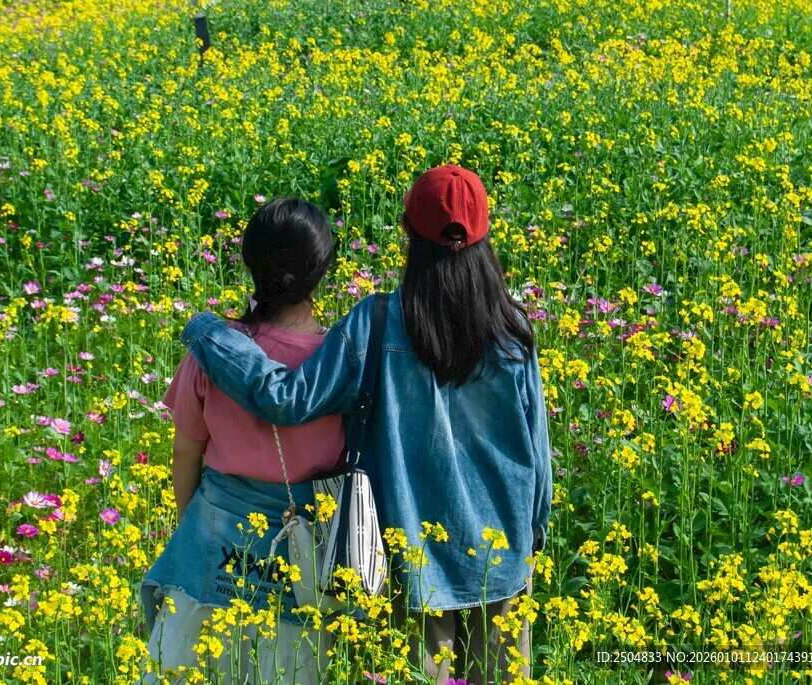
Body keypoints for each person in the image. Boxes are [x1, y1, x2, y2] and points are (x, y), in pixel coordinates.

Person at [180, 165, 553, 685]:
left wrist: (208, 333)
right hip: (501, 556)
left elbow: (286, 399)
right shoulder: (514, 332)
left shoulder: (375, 323)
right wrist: (533, 535)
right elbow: (537, 454)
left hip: (413, 566)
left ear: (407, 234)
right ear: (486, 236)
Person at [139, 197, 343, 685]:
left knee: (189, 669)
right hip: (306, 554)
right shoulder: (340, 361)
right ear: (323, 271)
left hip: (212, 534)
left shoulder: (215, 351)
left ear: (249, 263)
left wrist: (193, 526)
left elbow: (186, 453)